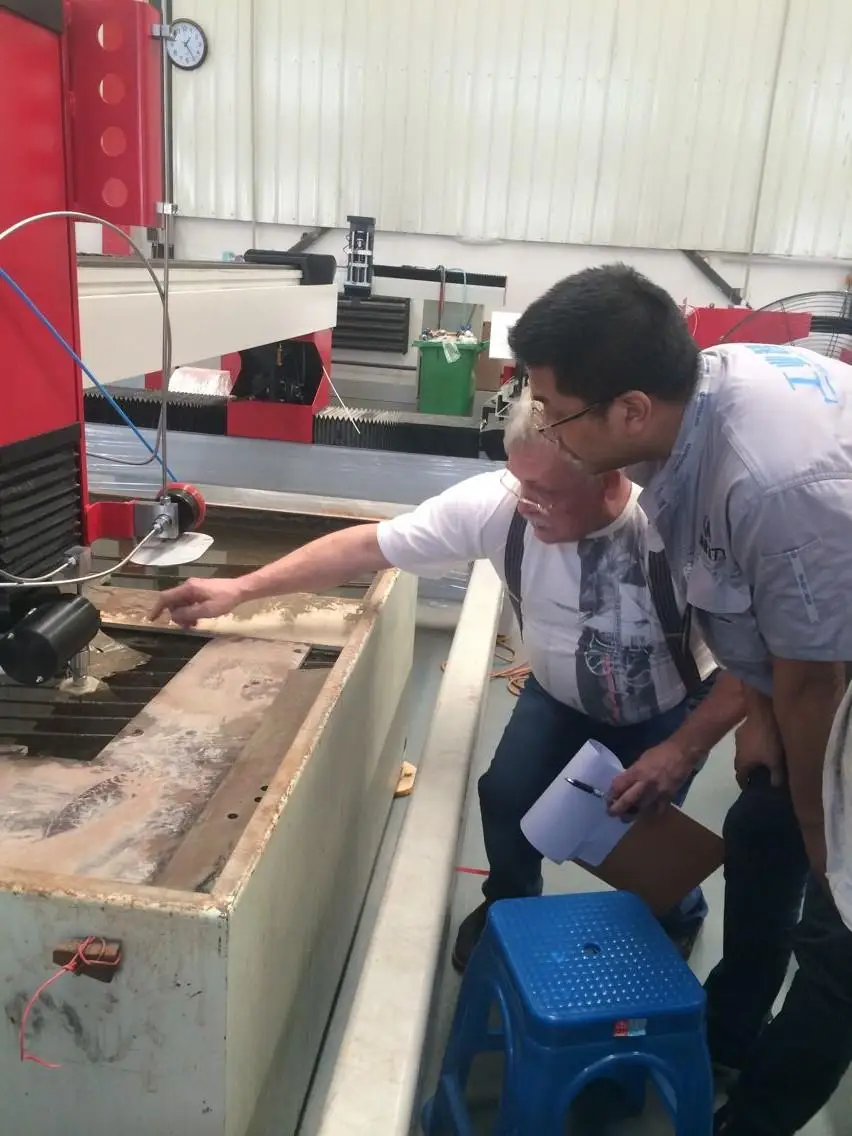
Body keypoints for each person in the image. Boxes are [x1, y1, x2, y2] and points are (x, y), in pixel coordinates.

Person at [149, 392, 743, 971]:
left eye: (546, 490)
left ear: (608, 479)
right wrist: (241, 588)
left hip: (668, 704)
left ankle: (676, 914)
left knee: (633, 835)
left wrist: (682, 750)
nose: (526, 502)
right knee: (506, 796)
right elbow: (366, 546)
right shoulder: (500, 505)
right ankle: (508, 901)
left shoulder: (675, 529)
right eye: (519, 481)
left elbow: (757, 662)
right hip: (559, 693)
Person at [509, 263, 852, 1136]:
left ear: (629, 408)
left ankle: (755, 1120)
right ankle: (726, 1038)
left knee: (837, 943)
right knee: (759, 834)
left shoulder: (771, 484)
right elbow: (756, 610)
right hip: (813, 663)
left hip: (836, 682)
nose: (547, 429)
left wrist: (829, 849)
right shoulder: (689, 418)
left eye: (556, 411)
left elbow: (816, 679)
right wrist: (758, 720)